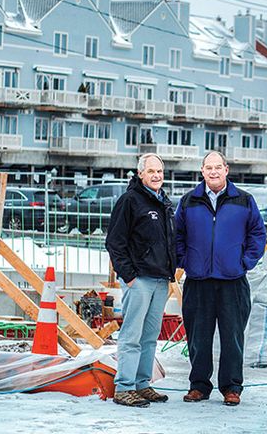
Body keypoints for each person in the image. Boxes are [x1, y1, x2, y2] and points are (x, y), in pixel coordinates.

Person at [174, 151, 266, 407]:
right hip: (198, 280)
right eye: (208, 168)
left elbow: (258, 233)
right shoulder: (189, 201)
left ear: (226, 170)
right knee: (198, 337)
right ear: (202, 171)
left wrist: (244, 262)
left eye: (218, 167)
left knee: (232, 337)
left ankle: (231, 387)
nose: (213, 172)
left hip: (232, 280)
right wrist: (185, 260)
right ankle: (199, 385)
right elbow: (177, 234)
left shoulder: (244, 200)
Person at [105, 153, 175, 408]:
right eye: (151, 171)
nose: (156, 176)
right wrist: (129, 276)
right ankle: (124, 387)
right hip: (140, 280)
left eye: (160, 171)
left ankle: (142, 384)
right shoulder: (130, 201)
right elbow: (115, 242)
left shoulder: (163, 202)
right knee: (132, 335)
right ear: (140, 174)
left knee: (150, 336)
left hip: (160, 279)